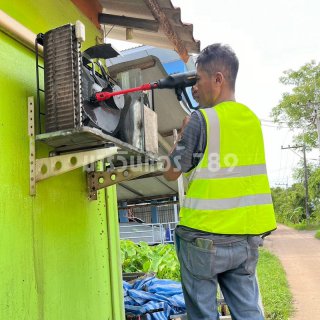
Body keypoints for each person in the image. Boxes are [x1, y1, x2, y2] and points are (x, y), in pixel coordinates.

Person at [163, 43, 277, 320]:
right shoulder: (252, 120)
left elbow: (170, 171)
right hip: (245, 239)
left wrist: (181, 135)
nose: (194, 88)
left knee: (203, 314)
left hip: (202, 238)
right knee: (249, 311)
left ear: (218, 79)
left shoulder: (201, 120)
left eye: (198, 79)